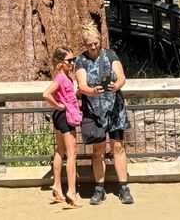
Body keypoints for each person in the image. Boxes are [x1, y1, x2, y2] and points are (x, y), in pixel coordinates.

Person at [75, 20, 134, 206]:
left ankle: (123, 187)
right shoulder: (81, 60)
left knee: (118, 146)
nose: (93, 47)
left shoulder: (110, 54)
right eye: (89, 44)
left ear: (100, 40)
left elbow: (122, 76)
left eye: (96, 43)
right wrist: (91, 91)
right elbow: (82, 85)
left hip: (114, 107)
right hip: (93, 110)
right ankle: (99, 188)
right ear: (84, 44)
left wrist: (116, 85)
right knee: (98, 150)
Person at [42, 47, 83, 207]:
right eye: (69, 61)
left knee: (60, 151)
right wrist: (59, 106)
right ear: (60, 62)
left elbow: (65, 94)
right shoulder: (60, 77)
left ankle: (57, 189)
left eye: (73, 60)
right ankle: (71, 193)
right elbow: (45, 94)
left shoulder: (64, 76)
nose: (72, 63)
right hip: (65, 117)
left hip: (60, 117)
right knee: (72, 154)